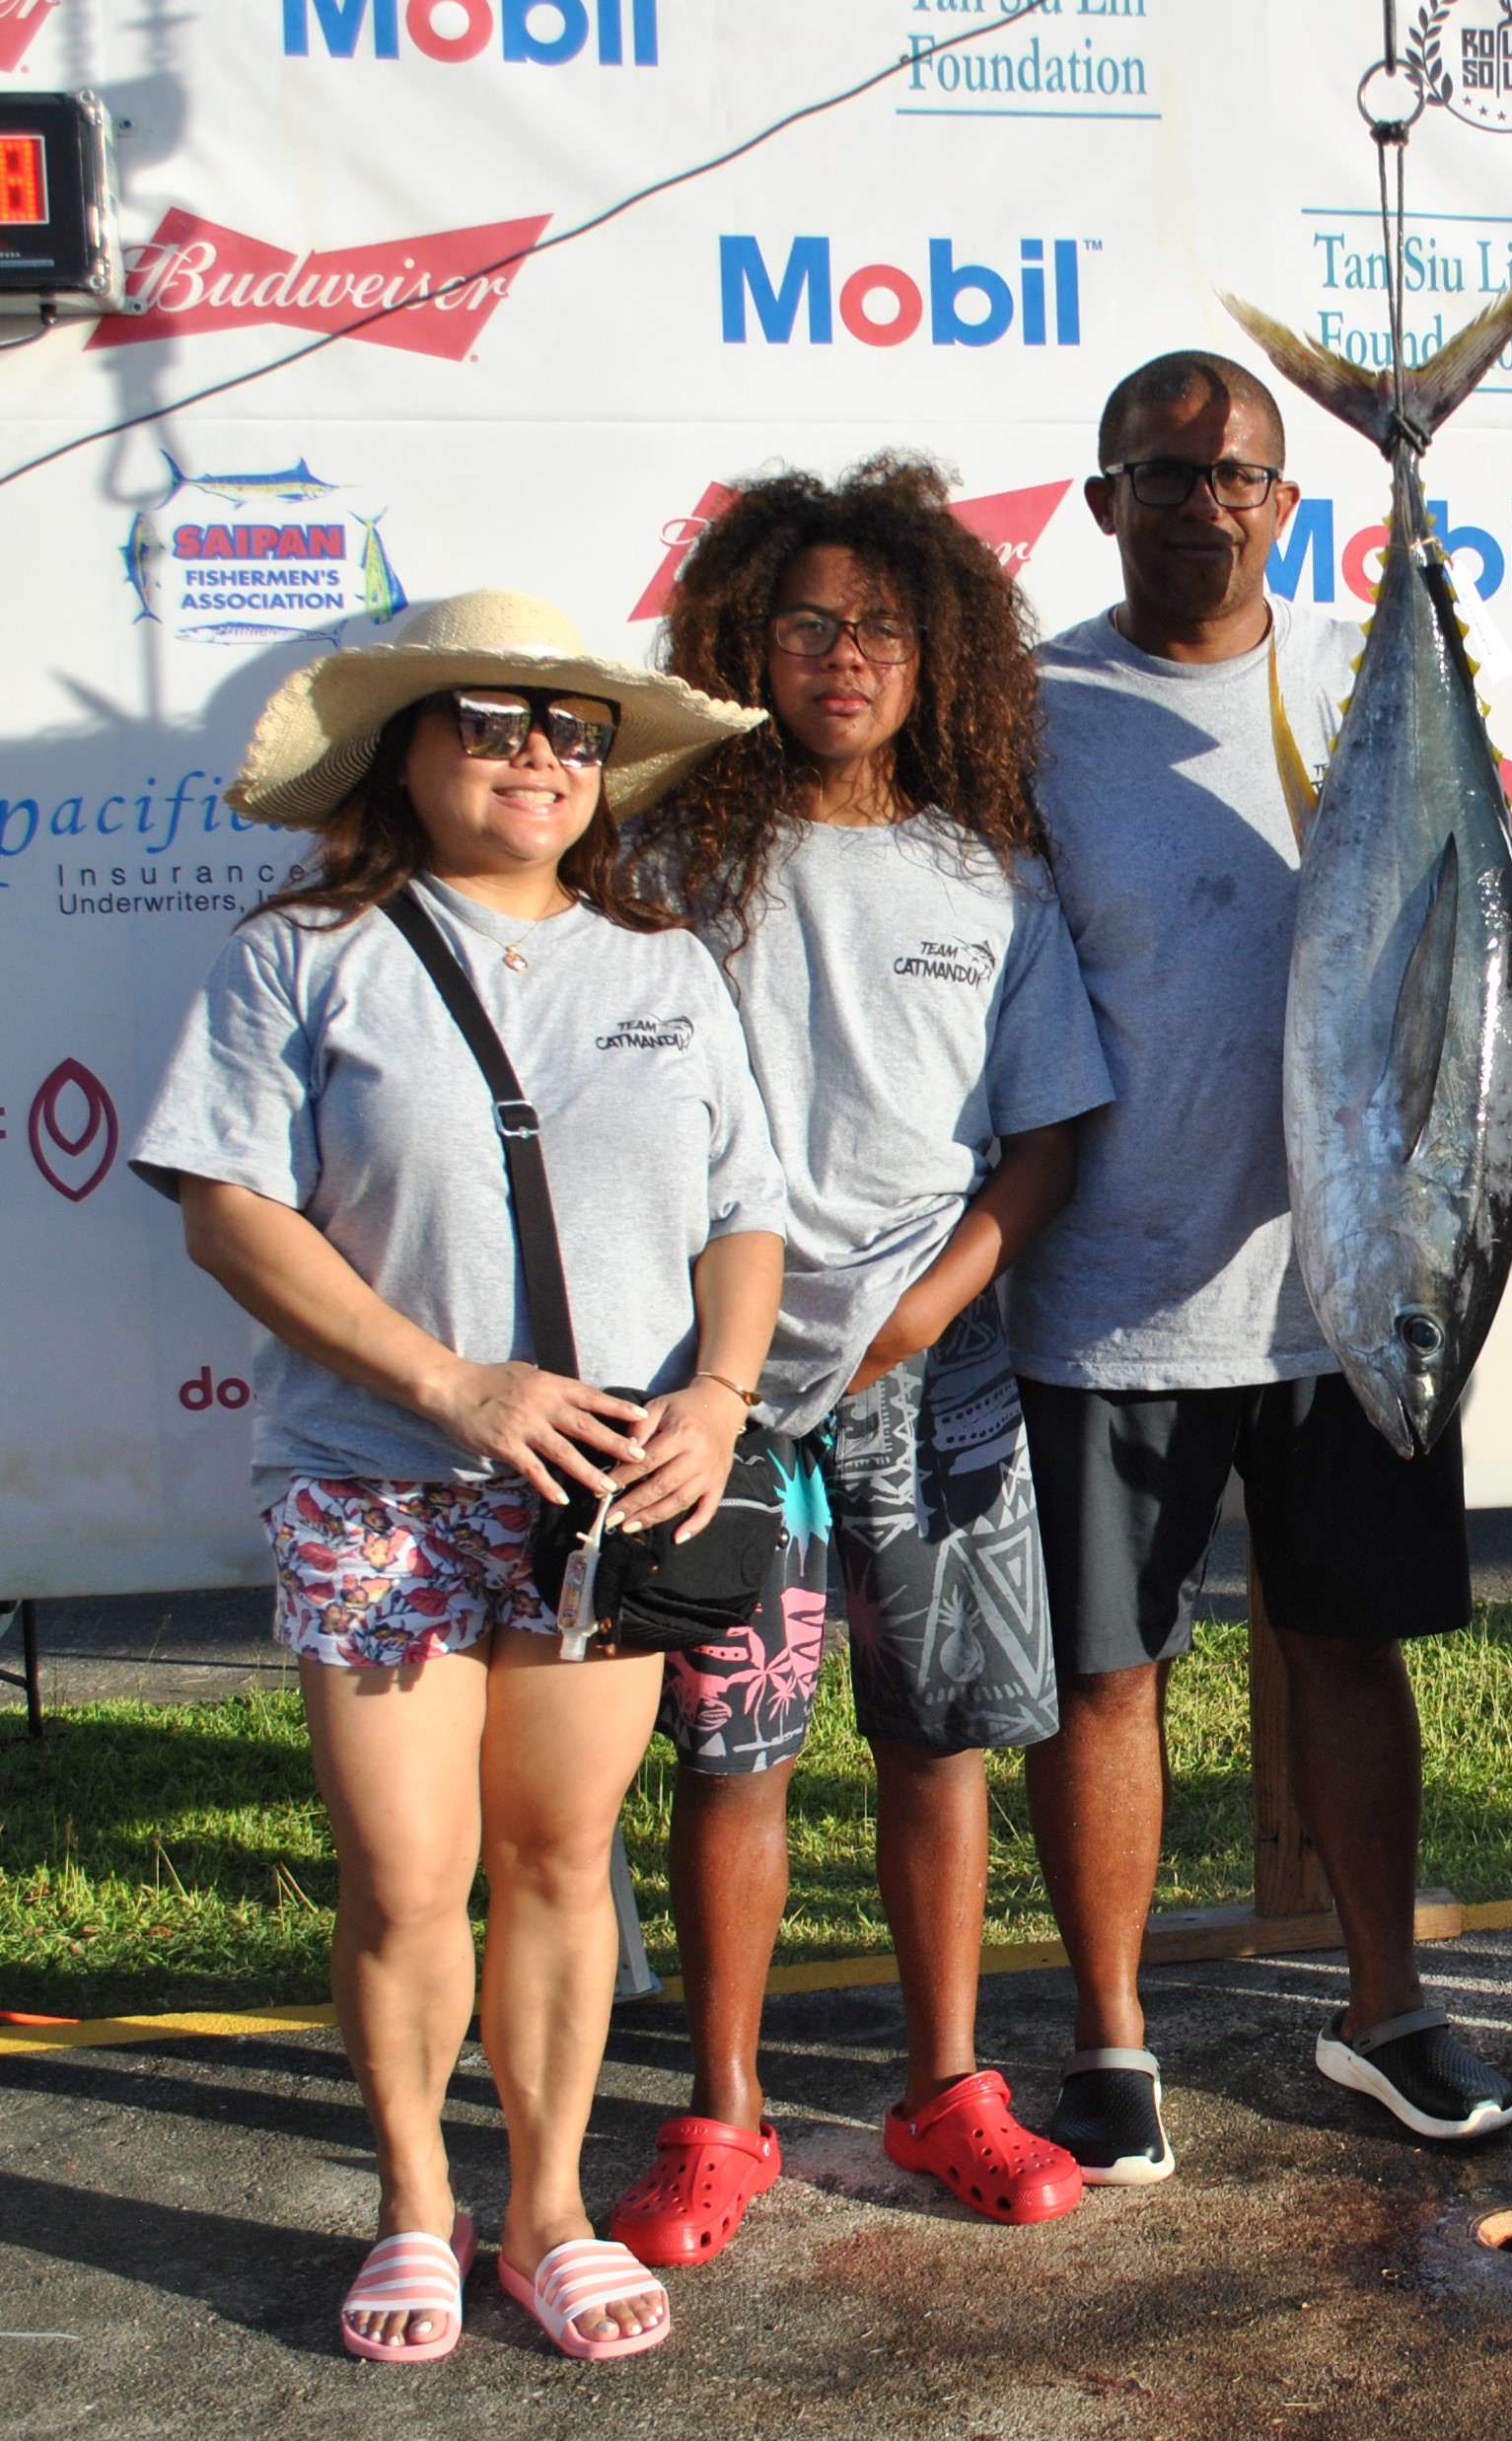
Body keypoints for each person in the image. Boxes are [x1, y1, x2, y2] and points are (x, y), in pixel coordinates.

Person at [130, 592, 783, 2362]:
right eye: (493, 721)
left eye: (571, 729)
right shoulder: (305, 952)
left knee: (565, 1857)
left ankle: (546, 2210)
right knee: (412, 1875)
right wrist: (451, 1384)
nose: (539, 756)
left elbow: (745, 1212)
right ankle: (418, 2202)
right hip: (378, 1485)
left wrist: (721, 1400)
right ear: (403, 754)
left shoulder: (666, 969)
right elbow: (224, 1208)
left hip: (615, 1499)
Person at [1005, 348, 1512, 2178]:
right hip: (1107, 1297)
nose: (1202, 500)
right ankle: (1114, 2041)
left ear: (1294, 506)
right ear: (1100, 498)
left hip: (1355, 1285)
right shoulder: (1027, 707)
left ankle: (1384, 2009)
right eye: (1163, 472)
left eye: (1237, 476)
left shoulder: (1373, 675)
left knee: (1353, 1655)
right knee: (1105, 1678)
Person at [613, 457, 1115, 2252]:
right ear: (748, 636)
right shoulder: (664, 850)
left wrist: (934, 1299)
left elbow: (1051, 1139)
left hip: (941, 1375)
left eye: (882, 627)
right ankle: (726, 2114)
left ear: (937, 656)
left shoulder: (985, 869)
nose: (844, 653)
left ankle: (945, 2090)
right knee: (735, 1752)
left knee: (940, 1744)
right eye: (810, 622)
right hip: (713, 1391)